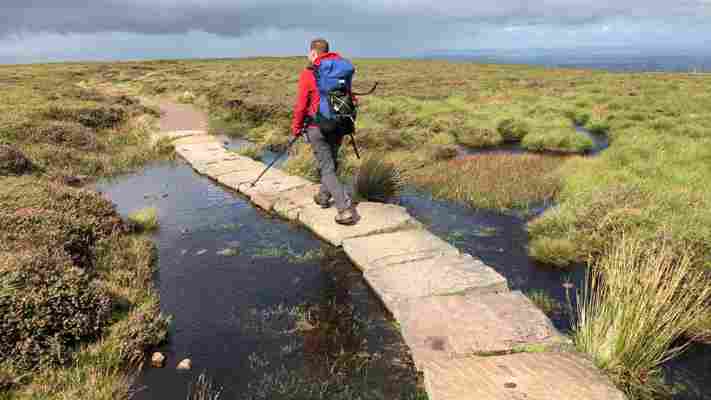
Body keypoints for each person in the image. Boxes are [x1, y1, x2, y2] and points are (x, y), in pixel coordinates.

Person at [291, 38, 360, 225]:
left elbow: (301, 105)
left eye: (309, 53)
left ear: (313, 53)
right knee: (331, 162)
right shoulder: (341, 69)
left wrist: (296, 127)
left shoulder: (310, 72)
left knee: (326, 168)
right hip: (339, 124)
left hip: (317, 126)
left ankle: (344, 209)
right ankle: (323, 196)